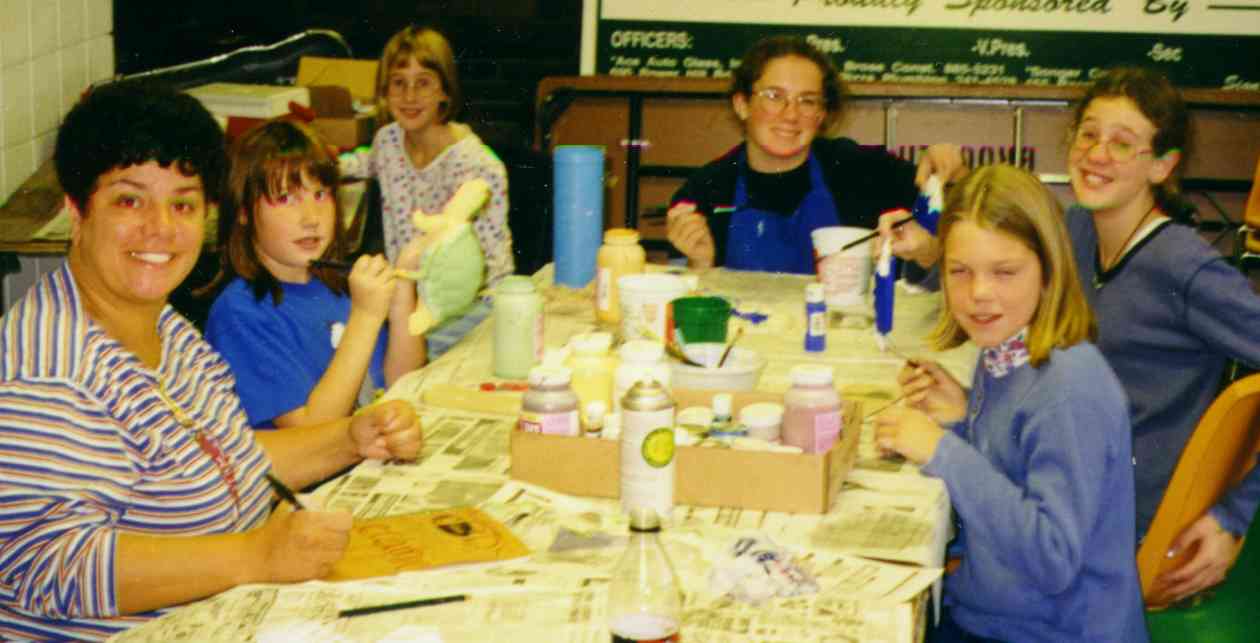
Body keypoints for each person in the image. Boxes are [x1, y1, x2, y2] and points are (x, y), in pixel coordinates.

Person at [0, 82, 422, 641]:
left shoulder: (164, 327)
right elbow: (46, 566)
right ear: (76, 211)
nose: (160, 227)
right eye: (129, 200)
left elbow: (226, 453)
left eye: (182, 204)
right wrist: (252, 556)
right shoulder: (46, 371)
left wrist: (349, 439)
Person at [887, 67, 1260, 605]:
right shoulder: (1080, 229)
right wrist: (969, 406)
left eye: (1122, 143)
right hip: (1061, 484)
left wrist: (1235, 515)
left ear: (1162, 165)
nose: (1097, 153)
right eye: (1088, 134)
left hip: (1110, 532)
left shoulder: (1186, 268)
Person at [874, 165, 1147, 642]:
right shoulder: (1006, 350)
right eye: (960, 271)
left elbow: (1052, 558)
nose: (979, 293)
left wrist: (942, 451)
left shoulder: (1069, 390)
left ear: (1048, 271)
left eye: (1005, 272)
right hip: (999, 612)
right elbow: (1013, 470)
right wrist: (961, 418)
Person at [665, 35, 962, 273]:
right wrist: (699, 265)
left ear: (821, 114)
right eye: (774, 96)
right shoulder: (704, 191)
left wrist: (953, 173)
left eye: (807, 101)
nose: (790, 114)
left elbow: (964, 216)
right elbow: (682, 301)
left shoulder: (863, 170)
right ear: (742, 105)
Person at [203, 120, 426, 428]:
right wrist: (365, 316)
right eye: (285, 198)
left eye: (320, 194)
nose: (311, 218)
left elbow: (402, 386)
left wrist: (402, 301)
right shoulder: (240, 313)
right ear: (243, 212)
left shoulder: (338, 288)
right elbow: (310, 430)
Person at [341, 25, 512, 286]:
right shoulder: (387, 142)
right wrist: (324, 161)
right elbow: (365, 161)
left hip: (464, 301)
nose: (409, 96)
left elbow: (495, 269)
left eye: (423, 83)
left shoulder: (479, 168)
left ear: (445, 90)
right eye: (399, 83)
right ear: (385, 91)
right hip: (404, 293)